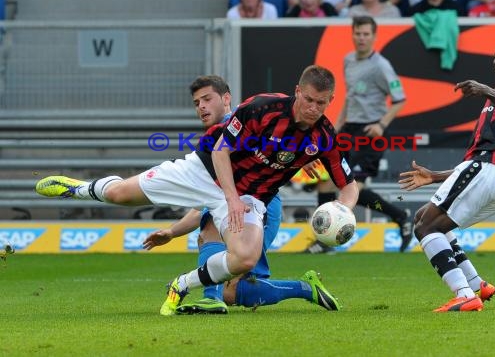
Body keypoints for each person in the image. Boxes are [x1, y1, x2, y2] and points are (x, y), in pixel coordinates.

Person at [35, 66, 359, 315]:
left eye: (321, 103)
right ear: (297, 92)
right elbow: (220, 150)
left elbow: (348, 186)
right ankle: (78, 189)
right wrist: (227, 200)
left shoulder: (325, 137)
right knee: (120, 195)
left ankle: (183, 284)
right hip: (204, 171)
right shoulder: (263, 108)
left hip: (250, 197)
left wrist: (344, 210)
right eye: (308, 100)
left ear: (331, 101)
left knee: (244, 258)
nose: (314, 108)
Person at [138, 76, 340, 314]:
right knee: (228, 274)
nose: (201, 106)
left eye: (207, 99)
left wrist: (297, 153)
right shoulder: (220, 135)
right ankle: (217, 298)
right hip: (238, 200)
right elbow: (208, 201)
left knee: (230, 273)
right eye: (196, 102)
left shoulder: (240, 124)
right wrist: (172, 231)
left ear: (226, 99)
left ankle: (216, 298)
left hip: (259, 203)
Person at [399, 37, 495, 312]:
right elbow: (482, 158)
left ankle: (464, 294)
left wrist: (486, 89)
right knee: (430, 221)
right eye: (494, 54)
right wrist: (436, 176)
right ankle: (477, 285)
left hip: (491, 169)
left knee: (425, 227)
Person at [308, 16, 412, 254]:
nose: (362, 38)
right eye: (358, 33)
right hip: (348, 129)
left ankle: (400, 216)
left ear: (374, 37)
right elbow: (350, 96)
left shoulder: (381, 65)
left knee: (356, 188)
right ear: (352, 34)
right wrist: (336, 126)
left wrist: (381, 125)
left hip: (370, 131)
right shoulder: (348, 61)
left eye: (366, 34)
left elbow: (400, 99)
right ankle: (324, 241)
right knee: (325, 181)